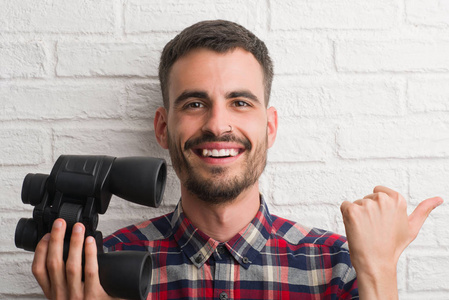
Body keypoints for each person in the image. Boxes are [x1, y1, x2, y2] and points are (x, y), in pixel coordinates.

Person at [31, 20, 443, 300]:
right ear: (162, 127)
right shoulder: (98, 266)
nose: (217, 124)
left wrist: (378, 272)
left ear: (270, 126)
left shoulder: (339, 265)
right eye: (195, 103)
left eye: (240, 102)